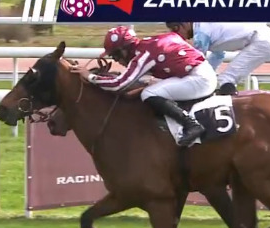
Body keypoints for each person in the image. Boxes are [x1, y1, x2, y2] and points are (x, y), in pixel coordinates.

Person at [70, 26, 217, 147]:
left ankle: (191, 124)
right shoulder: (150, 43)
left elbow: (119, 84)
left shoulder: (143, 55)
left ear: (124, 50)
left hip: (199, 80)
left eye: (115, 56)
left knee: (148, 93)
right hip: (200, 72)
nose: (117, 61)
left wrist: (90, 76)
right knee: (151, 83)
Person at [165, 22, 270, 96]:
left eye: (175, 29)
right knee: (224, 80)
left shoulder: (201, 34)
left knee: (225, 79)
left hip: (261, 41)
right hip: (264, 39)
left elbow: (196, 63)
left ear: (185, 23)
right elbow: (218, 55)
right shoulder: (205, 27)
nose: (177, 34)